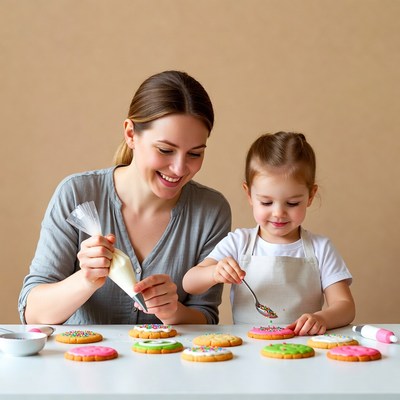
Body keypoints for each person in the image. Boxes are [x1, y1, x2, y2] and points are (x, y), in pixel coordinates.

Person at [19, 70, 231, 326]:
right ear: (131, 134)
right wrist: (85, 279)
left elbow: (206, 318)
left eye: (195, 154)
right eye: (165, 150)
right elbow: (33, 315)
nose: (179, 168)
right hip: (82, 364)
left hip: (166, 366)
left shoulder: (211, 210)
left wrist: (173, 312)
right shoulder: (76, 194)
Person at [183, 132, 355, 335]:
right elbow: (189, 283)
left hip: (303, 353)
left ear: (310, 196)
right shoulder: (239, 242)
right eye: (266, 202)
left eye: (292, 203)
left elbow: (345, 306)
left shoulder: (321, 248)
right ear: (249, 194)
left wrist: (321, 318)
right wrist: (214, 273)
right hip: (250, 350)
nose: (278, 213)